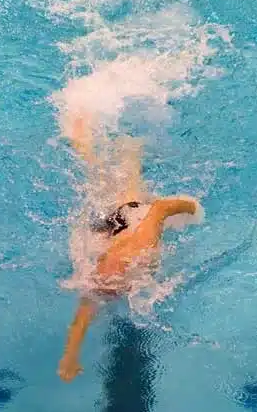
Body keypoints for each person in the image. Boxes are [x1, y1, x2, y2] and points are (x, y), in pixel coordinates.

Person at [57, 112, 203, 382]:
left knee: (119, 176)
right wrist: (70, 357)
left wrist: (194, 208)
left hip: (132, 214)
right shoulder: (100, 282)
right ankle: (83, 133)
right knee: (98, 177)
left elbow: (161, 208)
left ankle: (110, 137)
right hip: (119, 228)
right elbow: (80, 323)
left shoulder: (141, 248)